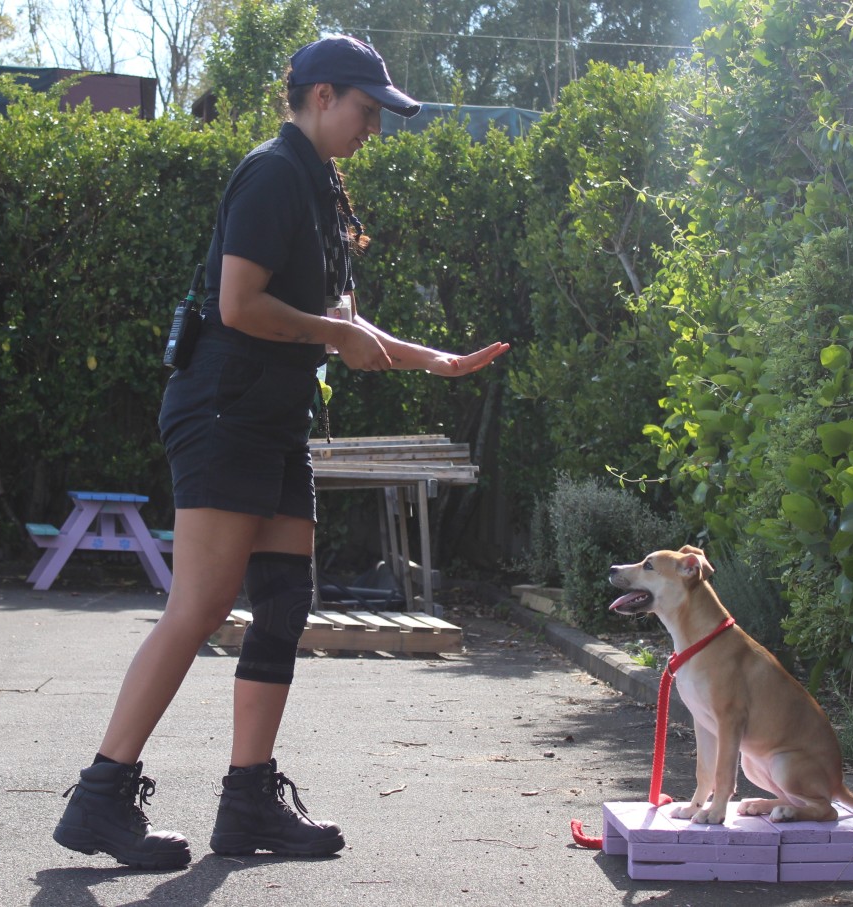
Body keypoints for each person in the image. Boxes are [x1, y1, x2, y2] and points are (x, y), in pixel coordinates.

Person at [52, 36, 508, 870]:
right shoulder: (271, 172)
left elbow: (347, 327)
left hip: (272, 416)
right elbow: (238, 304)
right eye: (368, 111)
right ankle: (101, 794)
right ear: (322, 95)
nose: (375, 127)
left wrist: (434, 360)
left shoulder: (325, 190)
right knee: (198, 605)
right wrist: (335, 332)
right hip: (224, 409)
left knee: (285, 601)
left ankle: (248, 797)